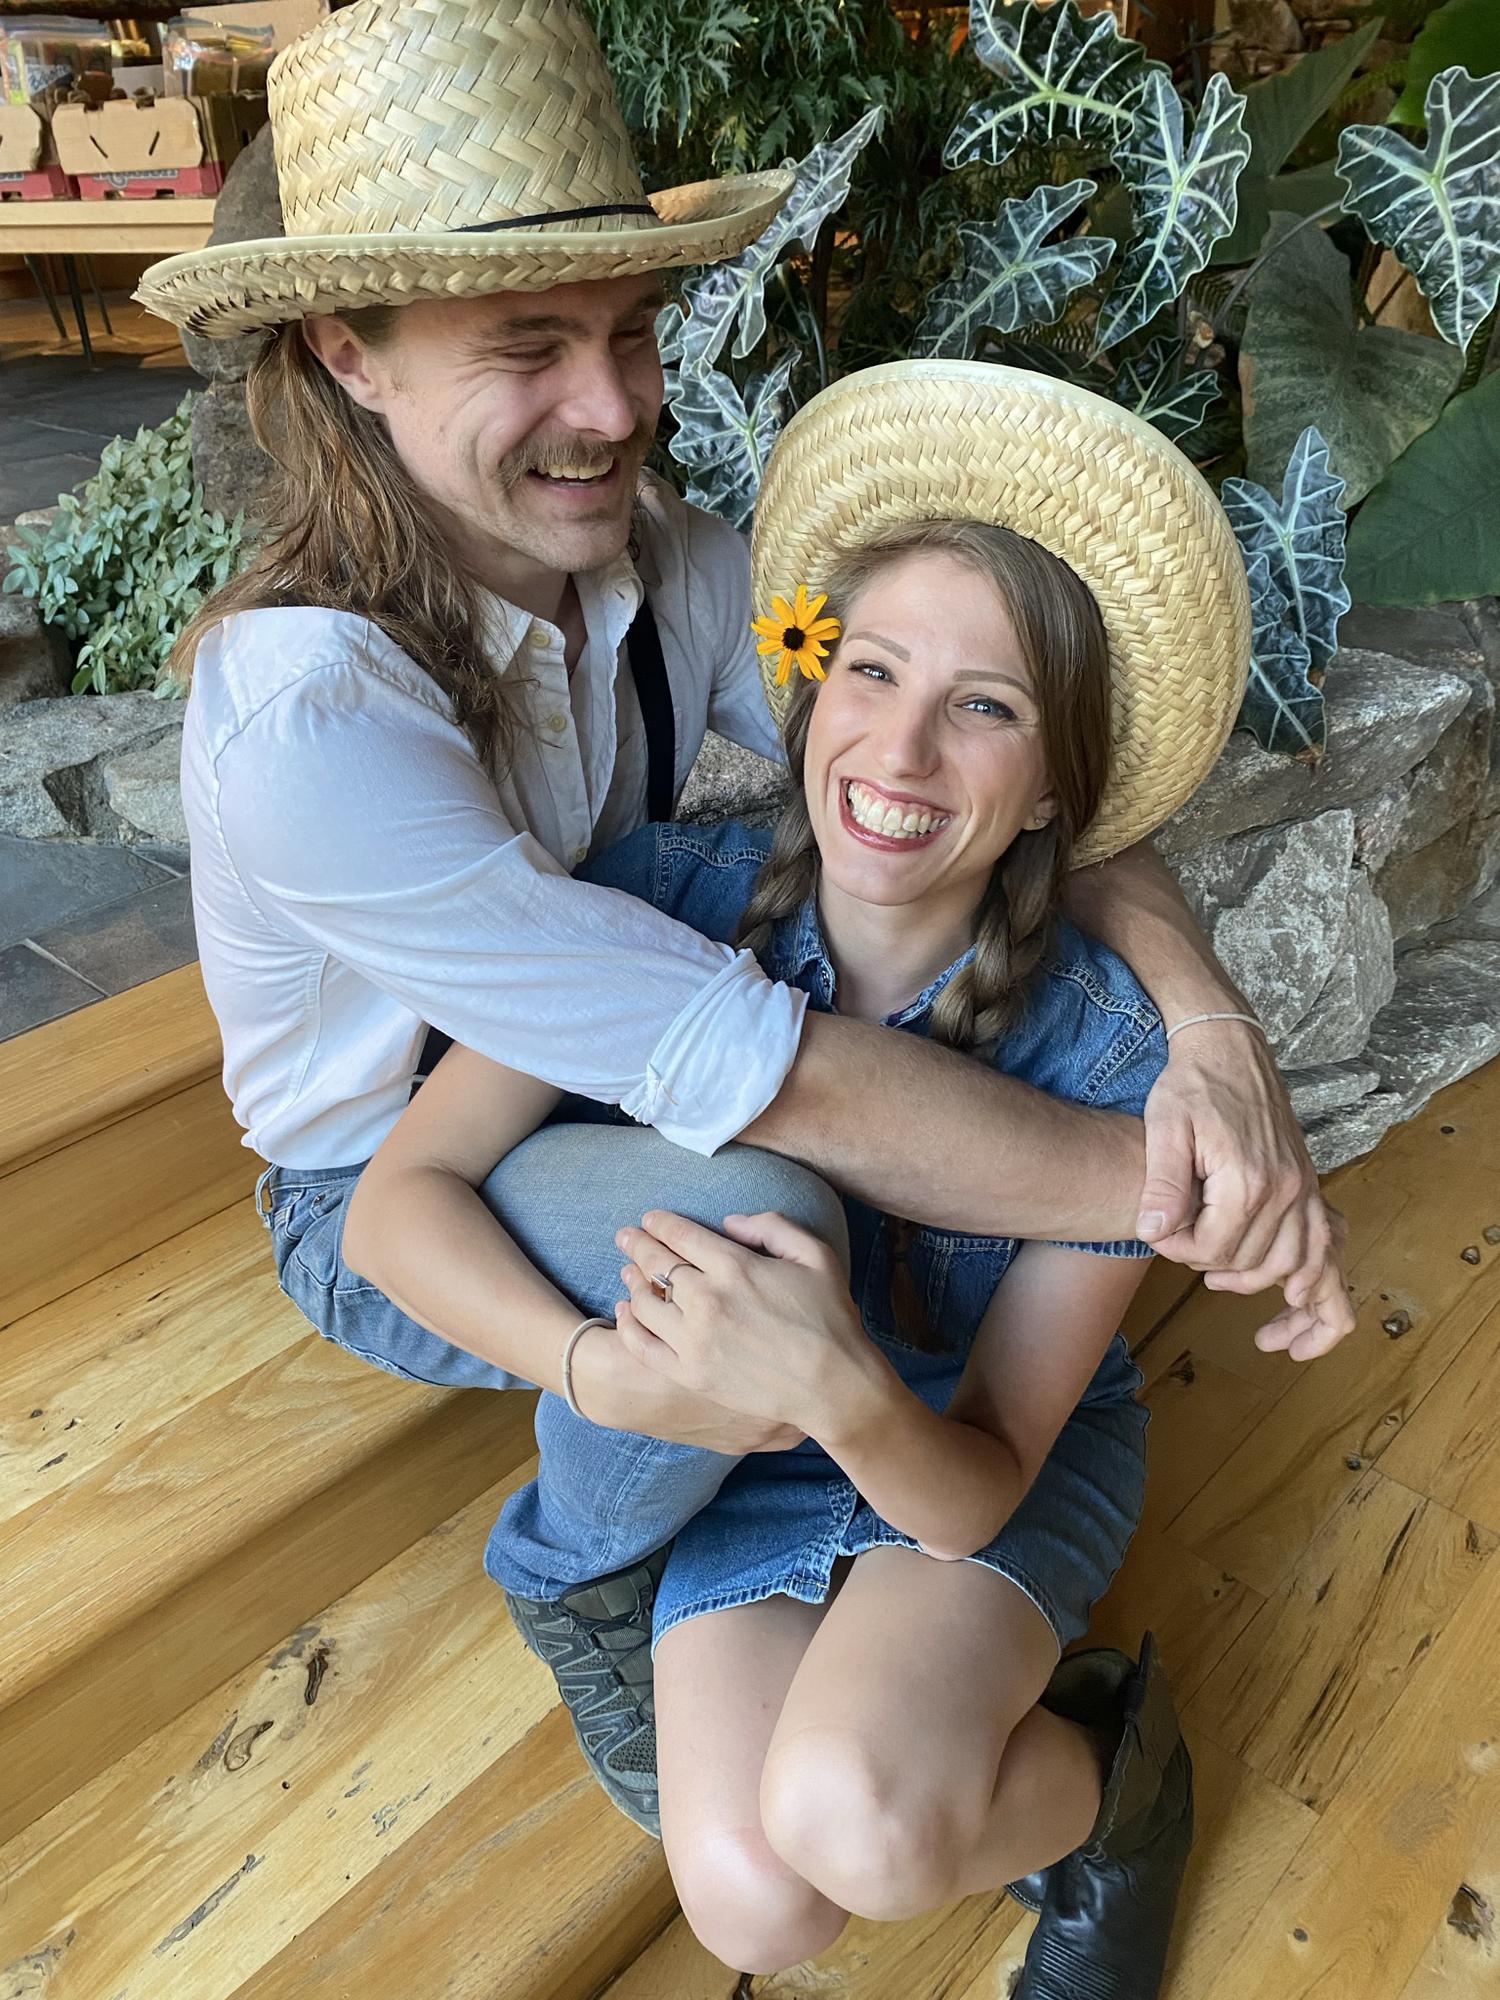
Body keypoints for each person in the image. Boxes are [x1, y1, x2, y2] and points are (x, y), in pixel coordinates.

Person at [136, 0, 1350, 1840]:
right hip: (395, 1183)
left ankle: (886, 1541)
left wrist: (1212, 1035)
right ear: (347, 351)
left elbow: (976, 766)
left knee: (796, 1227)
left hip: (602, 1091)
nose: (616, 409)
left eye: (630, 332)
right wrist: (1199, 1192)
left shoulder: (686, 577)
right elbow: (758, 1073)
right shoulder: (314, 727)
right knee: (759, 1208)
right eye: (529, 349)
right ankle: (587, 1580)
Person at [346, 362, 1353, 1997]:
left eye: (988, 706)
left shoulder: (1111, 1065)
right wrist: (604, 1369)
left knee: (864, 1825)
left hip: (978, 1457)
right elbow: (400, 1202)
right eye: (871, 671)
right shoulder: (655, 904)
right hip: (753, 1456)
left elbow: (976, 1482)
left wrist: (841, 1386)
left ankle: (1116, 1785)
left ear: (1058, 789)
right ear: (808, 693)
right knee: (756, 1908)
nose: (903, 745)